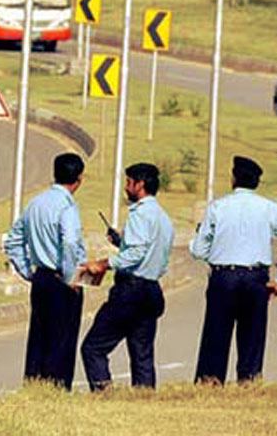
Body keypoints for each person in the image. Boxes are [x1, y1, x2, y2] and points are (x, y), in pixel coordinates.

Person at [190, 155, 277, 384]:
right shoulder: (269, 208)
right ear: (257, 183)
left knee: (216, 334)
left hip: (224, 276)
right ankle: (249, 381)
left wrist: (207, 243)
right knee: (252, 336)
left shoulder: (218, 207)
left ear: (234, 179)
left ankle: (210, 381)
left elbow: (198, 250)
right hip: (255, 277)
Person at [80, 163, 174, 391]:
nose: (126, 188)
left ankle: (104, 393)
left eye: (129, 182)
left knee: (93, 347)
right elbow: (152, 254)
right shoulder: (164, 218)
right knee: (142, 354)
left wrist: (103, 264)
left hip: (131, 291)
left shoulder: (140, 214)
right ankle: (144, 398)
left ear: (140, 185)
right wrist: (120, 243)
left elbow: (137, 253)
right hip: (151, 288)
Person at [3, 152, 87, 390]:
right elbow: (70, 243)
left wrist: (28, 271)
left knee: (39, 337)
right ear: (78, 179)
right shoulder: (67, 207)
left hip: (41, 278)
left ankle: (35, 386)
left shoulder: (35, 203)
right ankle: (56, 390)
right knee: (62, 341)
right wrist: (72, 276)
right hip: (62, 279)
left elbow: (13, 241)